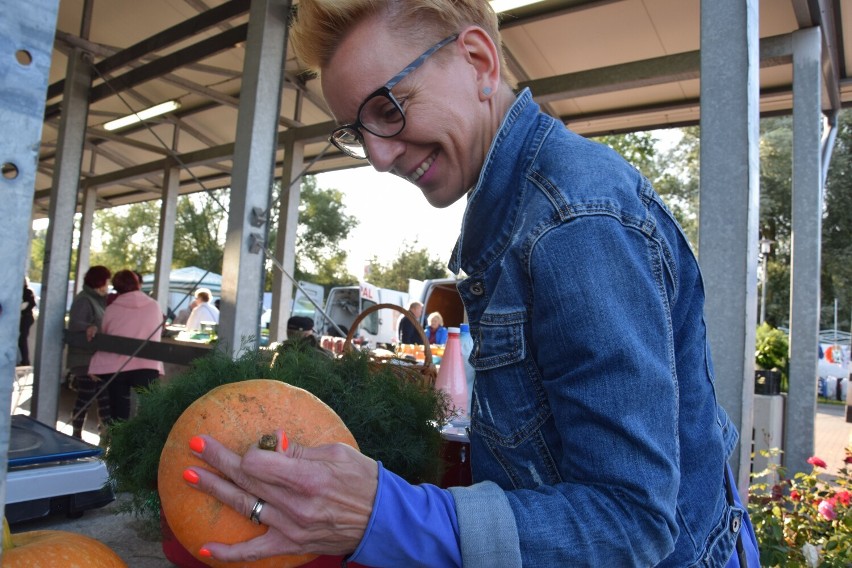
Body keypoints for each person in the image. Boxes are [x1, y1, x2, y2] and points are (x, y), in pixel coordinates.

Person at [183, 2, 760, 566]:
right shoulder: (515, 213)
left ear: (480, 61)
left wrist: (386, 516)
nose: (379, 158)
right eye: (358, 132)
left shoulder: (573, 223)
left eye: (389, 108)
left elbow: (630, 522)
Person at [88, 270, 165, 422]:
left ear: (116, 287)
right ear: (137, 283)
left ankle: (119, 443)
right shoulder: (154, 306)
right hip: (148, 365)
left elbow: (106, 333)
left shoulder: (112, 308)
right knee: (150, 413)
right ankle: (145, 444)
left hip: (116, 367)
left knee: (119, 415)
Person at [66, 265, 112, 439]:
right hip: (84, 358)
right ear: (100, 282)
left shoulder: (97, 299)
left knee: (101, 395)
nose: (108, 284)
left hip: (94, 358)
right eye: (106, 281)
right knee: (87, 395)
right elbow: (75, 324)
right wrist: (89, 327)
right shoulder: (85, 300)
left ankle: (104, 433)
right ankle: (76, 433)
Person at [18, 278, 36, 366]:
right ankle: (24, 360)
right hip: (25, 317)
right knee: (21, 339)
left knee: (22, 339)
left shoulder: (27, 292)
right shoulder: (22, 291)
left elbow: (31, 303)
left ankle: (25, 361)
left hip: (27, 317)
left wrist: (22, 310)